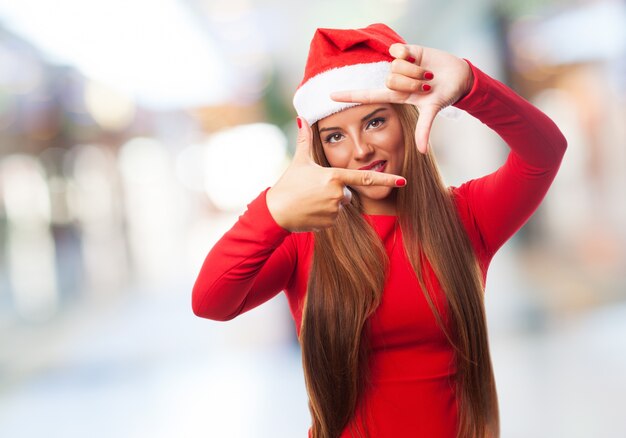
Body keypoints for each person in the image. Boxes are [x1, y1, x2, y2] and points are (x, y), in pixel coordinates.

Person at [191, 23, 567, 438]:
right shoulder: (303, 237)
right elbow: (211, 301)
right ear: (319, 148)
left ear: (405, 119)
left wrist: (469, 83)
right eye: (335, 136)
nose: (360, 149)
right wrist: (272, 209)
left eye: (374, 122)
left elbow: (545, 151)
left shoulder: (466, 216)